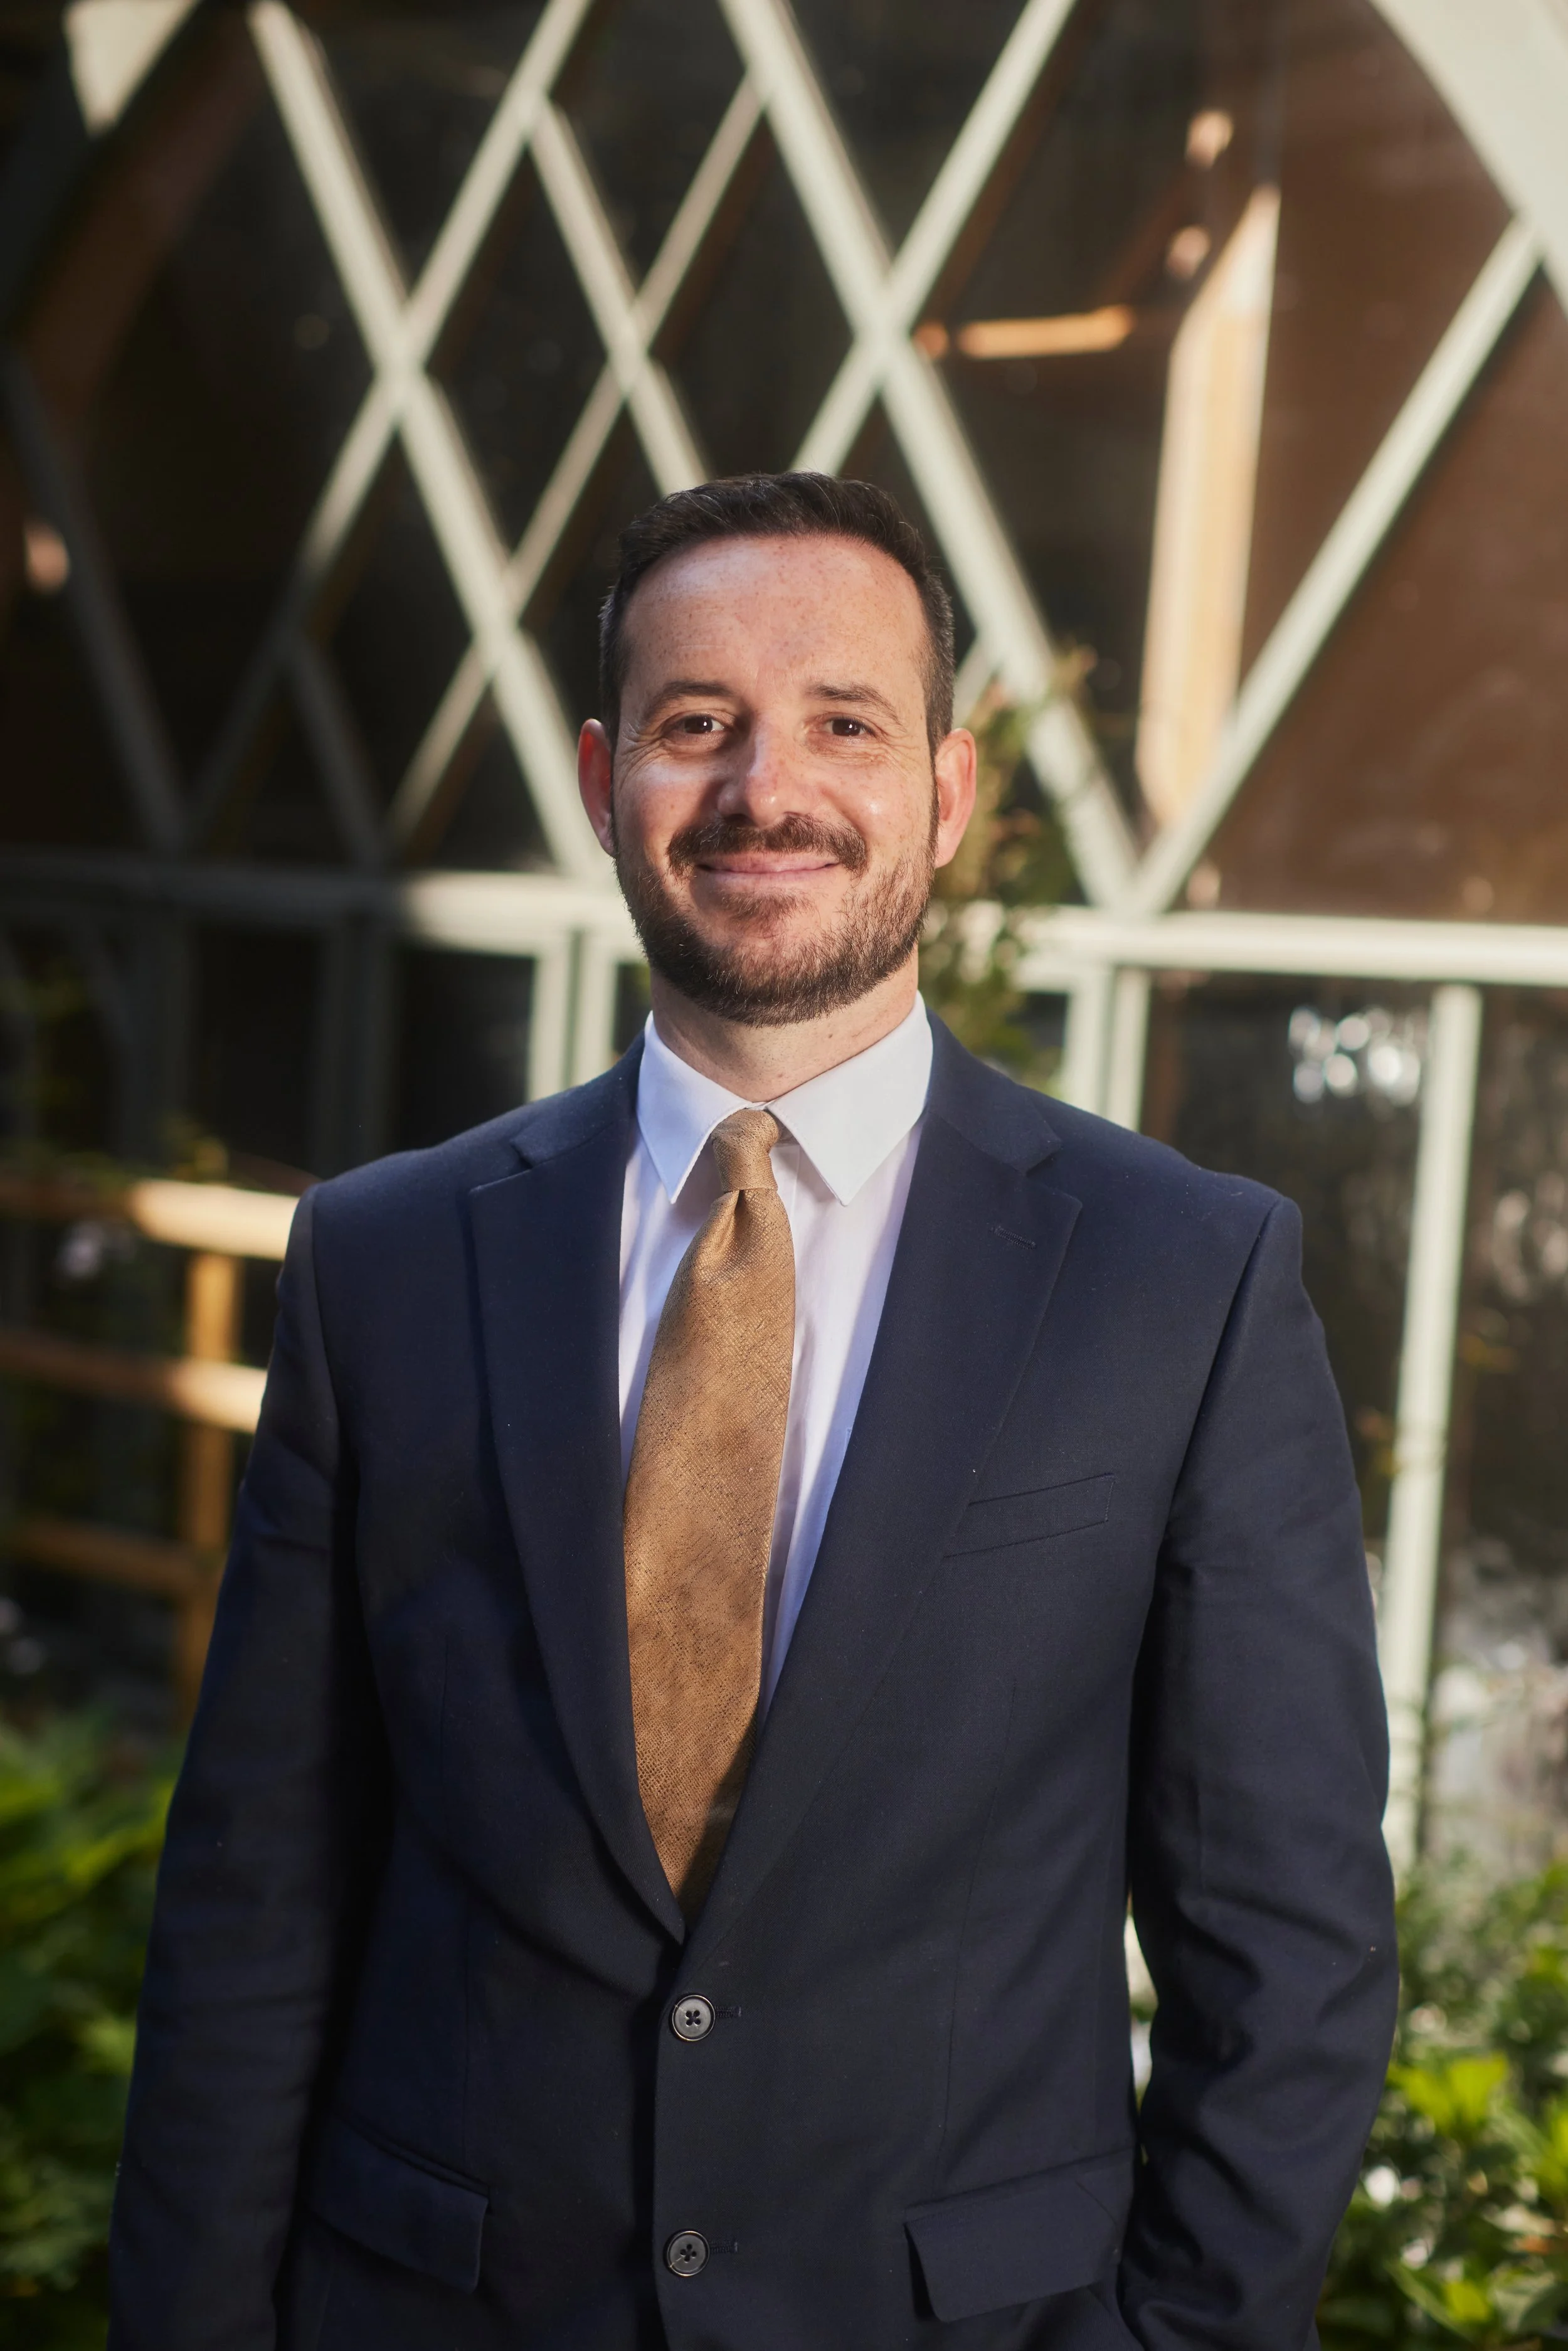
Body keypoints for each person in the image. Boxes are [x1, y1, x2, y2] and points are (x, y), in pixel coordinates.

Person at [108, 471, 1397, 2351]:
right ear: (599, 776)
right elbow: (255, 1899)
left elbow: (1282, 1954)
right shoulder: (378, 1264)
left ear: (946, 791)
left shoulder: (1180, 1282)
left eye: (842, 724)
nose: (763, 787)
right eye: (694, 723)